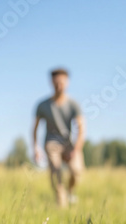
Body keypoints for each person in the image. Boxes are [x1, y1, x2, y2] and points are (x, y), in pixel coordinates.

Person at [33, 68, 85, 207]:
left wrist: (76, 149)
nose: (59, 85)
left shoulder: (73, 104)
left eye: (62, 82)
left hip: (69, 143)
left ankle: (71, 192)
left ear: (67, 83)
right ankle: (62, 209)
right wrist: (36, 148)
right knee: (56, 174)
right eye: (56, 82)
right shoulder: (42, 105)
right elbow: (35, 128)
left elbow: (81, 128)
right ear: (51, 83)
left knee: (77, 171)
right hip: (51, 144)